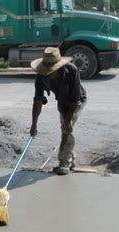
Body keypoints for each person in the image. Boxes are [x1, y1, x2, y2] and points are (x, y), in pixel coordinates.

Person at [30, 47, 87, 175]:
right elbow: (38, 100)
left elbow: (75, 99)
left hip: (77, 101)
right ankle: (70, 159)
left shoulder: (71, 70)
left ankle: (64, 162)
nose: (49, 73)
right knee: (65, 128)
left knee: (67, 128)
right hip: (62, 101)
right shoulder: (41, 76)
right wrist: (34, 124)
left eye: (52, 71)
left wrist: (67, 121)